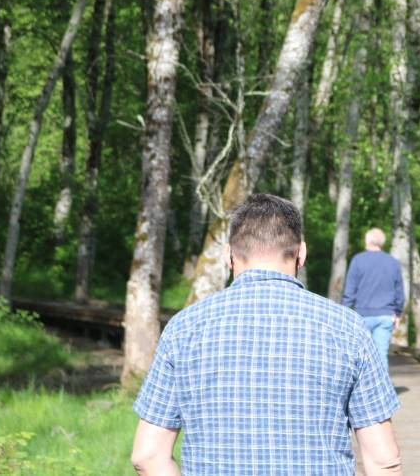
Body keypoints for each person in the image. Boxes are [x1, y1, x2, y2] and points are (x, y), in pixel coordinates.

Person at [130, 194, 402, 476]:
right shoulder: (348, 329)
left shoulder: (183, 329)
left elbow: (148, 456)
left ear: (228, 255)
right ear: (301, 254)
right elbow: (383, 461)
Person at [341, 228, 404, 373]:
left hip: (362, 316)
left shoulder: (358, 260)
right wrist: (398, 313)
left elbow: (350, 290)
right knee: (381, 356)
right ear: (382, 243)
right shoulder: (393, 262)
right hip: (385, 315)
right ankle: (382, 387)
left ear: (367, 241)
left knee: (359, 357)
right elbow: (399, 291)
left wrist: (345, 310)